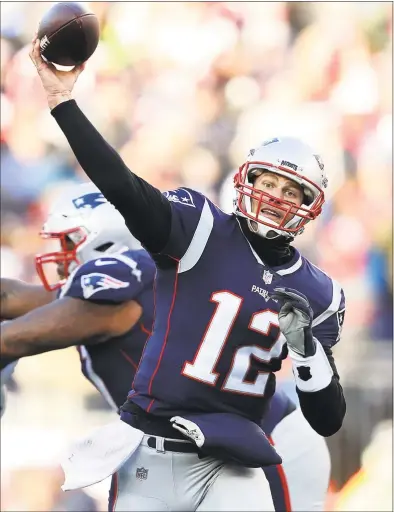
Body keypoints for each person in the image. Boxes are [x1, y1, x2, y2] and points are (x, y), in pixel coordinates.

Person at [29, 38, 346, 512]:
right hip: (151, 454)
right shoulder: (200, 229)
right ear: (246, 181)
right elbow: (122, 185)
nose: (277, 196)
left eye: (291, 190)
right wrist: (63, 103)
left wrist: (304, 352)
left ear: (309, 206)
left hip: (232, 461)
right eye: (269, 183)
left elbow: (327, 418)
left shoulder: (319, 292)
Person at [0, 182, 155, 413]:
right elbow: (12, 297)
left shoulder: (117, 288)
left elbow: (10, 341)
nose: (60, 255)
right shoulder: (146, 276)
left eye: (69, 242)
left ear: (107, 241)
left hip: (180, 441)